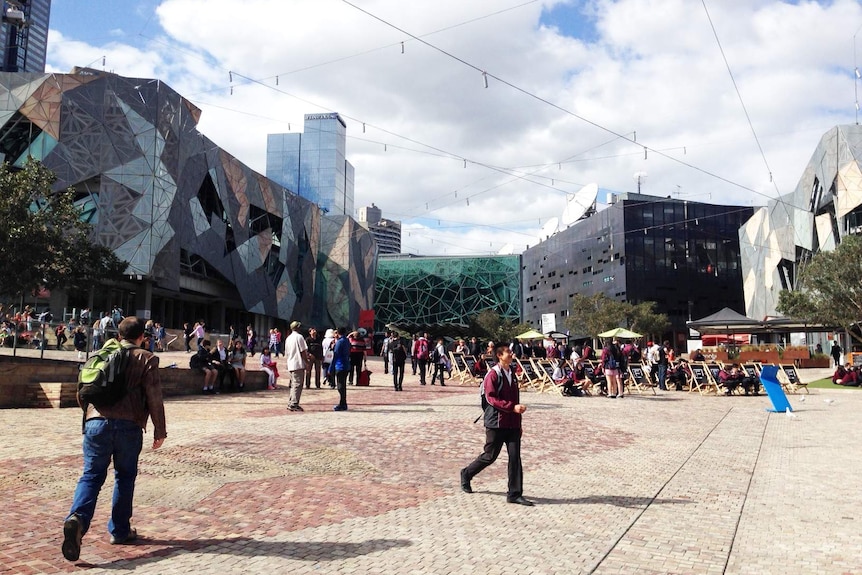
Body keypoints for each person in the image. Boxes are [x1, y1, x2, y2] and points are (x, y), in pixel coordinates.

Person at [61, 316, 167, 562]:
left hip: (95, 422)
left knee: (91, 475)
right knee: (125, 475)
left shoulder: (102, 353)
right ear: (143, 336)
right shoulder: (146, 358)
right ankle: (119, 530)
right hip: (129, 425)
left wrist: (89, 418)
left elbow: (83, 390)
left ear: (119, 335)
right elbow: (154, 397)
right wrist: (159, 430)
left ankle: (77, 519)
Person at [460, 344, 533, 506]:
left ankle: (514, 493)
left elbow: (516, 399)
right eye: (508, 351)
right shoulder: (493, 375)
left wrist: (518, 422)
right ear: (499, 355)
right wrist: (511, 407)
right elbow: (491, 398)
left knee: (515, 458)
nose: (511, 353)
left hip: (512, 423)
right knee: (489, 456)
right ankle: (466, 473)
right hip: (496, 423)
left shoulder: (511, 373)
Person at [284, 321, 308, 411]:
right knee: (298, 384)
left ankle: (291, 401)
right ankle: (294, 403)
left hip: (290, 363)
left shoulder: (288, 338)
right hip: (298, 363)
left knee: (293, 384)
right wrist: (307, 362)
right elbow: (303, 351)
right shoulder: (299, 337)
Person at [328, 327, 351, 410]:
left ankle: (342, 403)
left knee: (340, 386)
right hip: (346, 364)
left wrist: (330, 368)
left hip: (340, 365)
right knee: (343, 385)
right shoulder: (347, 341)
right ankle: (343, 403)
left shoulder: (339, 342)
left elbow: (335, 355)